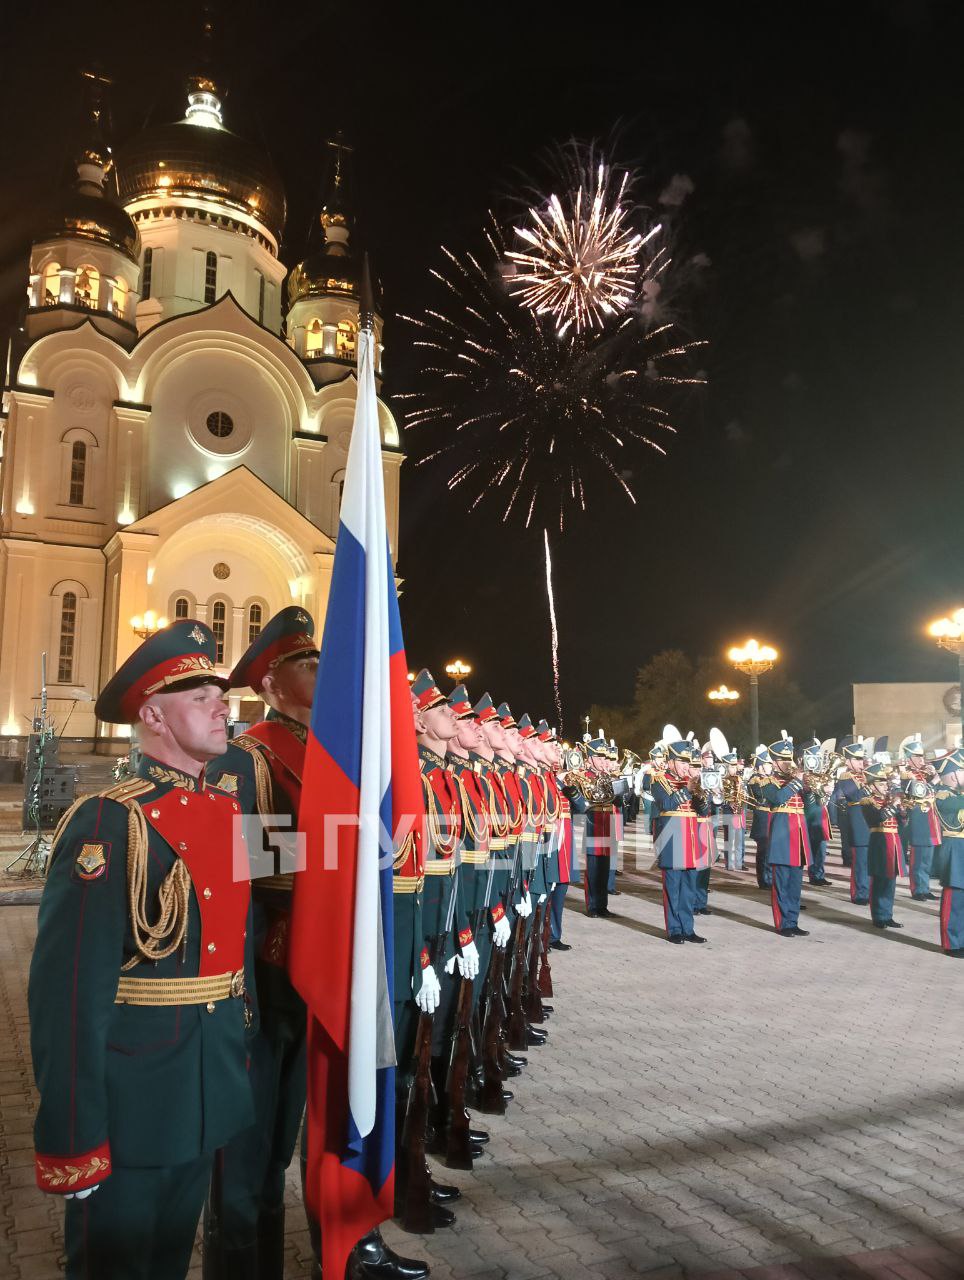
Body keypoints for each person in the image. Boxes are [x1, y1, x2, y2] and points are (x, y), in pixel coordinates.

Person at [203, 608, 428, 1279]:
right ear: (271, 683)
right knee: (247, 1157)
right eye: (308, 663)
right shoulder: (248, 756)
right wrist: (342, 853)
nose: (325, 671)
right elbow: (238, 861)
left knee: (300, 1138)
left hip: (321, 967)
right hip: (266, 971)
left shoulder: (331, 751)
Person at [29, 621, 256, 1280]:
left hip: (205, 1091)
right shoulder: (109, 821)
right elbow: (67, 995)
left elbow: (325, 858)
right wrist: (73, 1137)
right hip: (132, 1102)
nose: (223, 705)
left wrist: (405, 825)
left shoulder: (229, 813)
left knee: (166, 1263)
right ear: (152, 714)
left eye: (222, 692)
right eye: (200, 695)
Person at [650, 741, 709, 944]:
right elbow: (665, 804)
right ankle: (674, 929)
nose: (686, 766)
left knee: (689, 888)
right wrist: (687, 790)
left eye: (688, 762)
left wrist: (703, 796)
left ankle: (688, 928)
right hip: (672, 838)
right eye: (682, 762)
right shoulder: (659, 780)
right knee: (673, 889)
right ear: (671, 762)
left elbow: (701, 811)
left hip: (691, 838)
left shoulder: (689, 781)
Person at [761, 738, 811, 937]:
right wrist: (797, 782)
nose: (788, 763)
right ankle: (783, 923)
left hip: (798, 836)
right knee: (781, 884)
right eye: (783, 759)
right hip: (782, 838)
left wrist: (814, 790)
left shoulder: (796, 783)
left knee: (795, 884)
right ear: (774, 762)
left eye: (789, 758)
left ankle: (793, 920)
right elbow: (777, 799)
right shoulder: (768, 782)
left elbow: (809, 803)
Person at [860, 762, 907, 929]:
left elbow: (902, 824)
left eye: (885, 783)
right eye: (881, 784)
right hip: (879, 841)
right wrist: (893, 806)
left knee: (890, 881)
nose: (885, 787)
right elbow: (876, 818)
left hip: (894, 841)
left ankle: (888, 915)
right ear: (872, 785)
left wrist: (902, 812)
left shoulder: (889, 800)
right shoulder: (867, 801)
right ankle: (878, 916)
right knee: (879, 880)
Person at [899, 739, 941, 900]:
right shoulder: (907, 774)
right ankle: (917, 889)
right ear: (910, 758)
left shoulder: (924, 773)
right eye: (918, 757)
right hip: (918, 819)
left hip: (930, 818)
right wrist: (935, 778)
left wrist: (934, 775)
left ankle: (925, 887)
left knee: (927, 858)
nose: (922, 760)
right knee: (918, 858)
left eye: (922, 756)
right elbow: (920, 792)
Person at [933, 750, 964, 956]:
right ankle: (951, 943)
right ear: (953, 775)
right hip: (954, 851)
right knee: (953, 901)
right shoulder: (942, 794)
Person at [832, 741, 871, 904]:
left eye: (862, 759)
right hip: (858, 822)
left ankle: (870, 891)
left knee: (870, 860)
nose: (861, 762)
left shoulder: (866, 775)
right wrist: (869, 781)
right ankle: (860, 893)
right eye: (857, 759)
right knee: (861, 862)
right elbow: (855, 796)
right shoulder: (845, 776)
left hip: (871, 821)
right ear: (848, 761)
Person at [747, 746, 773, 889]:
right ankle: (763, 879)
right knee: (763, 851)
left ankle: (769, 877)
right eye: (768, 764)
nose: (771, 766)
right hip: (763, 817)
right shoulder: (755, 780)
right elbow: (763, 795)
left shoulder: (770, 778)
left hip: (770, 816)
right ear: (761, 766)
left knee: (770, 850)